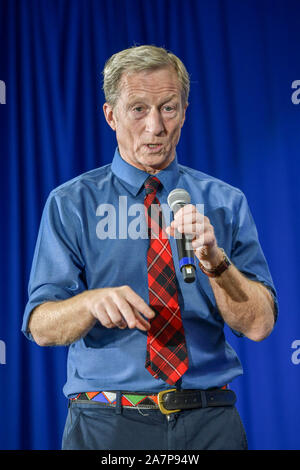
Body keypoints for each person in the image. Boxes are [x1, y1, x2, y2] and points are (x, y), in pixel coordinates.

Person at [22, 45, 278, 450]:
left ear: (184, 111)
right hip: (106, 424)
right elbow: (40, 326)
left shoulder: (226, 202)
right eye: (138, 109)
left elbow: (260, 325)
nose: (155, 126)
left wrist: (216, 262)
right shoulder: (71, 203)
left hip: (209, 422)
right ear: (111, 115)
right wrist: (90, 303)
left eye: (168, 108)